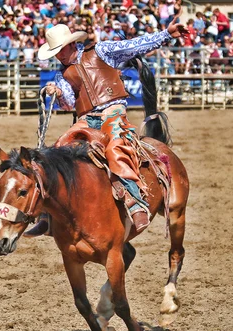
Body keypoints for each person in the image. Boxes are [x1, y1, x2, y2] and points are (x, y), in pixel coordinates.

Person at [25, 19, 188, 237]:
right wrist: (59, 92)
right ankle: (47, 215)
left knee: (116, 148)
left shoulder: (101, 51)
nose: (58, 56)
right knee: (58, 150)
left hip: (113, 114)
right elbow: (68, 104)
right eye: (55, 52)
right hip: (85, 119)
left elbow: (135, 45)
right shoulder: (61, 75)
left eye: (59, 50)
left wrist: (166, 34)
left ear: (71, 44)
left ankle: (134, 201)